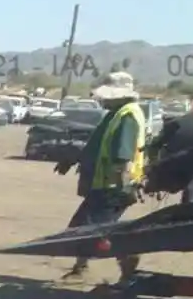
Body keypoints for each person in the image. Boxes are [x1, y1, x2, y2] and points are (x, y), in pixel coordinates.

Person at [57, 70, 147, 281]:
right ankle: (81, 267)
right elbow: (96, 147)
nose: (103, 100)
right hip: (104, 185)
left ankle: (128, 263)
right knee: (82, 227)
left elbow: (124, 154)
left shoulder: (127, 117)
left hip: (114, 186)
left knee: (96, 231)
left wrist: (123, 186)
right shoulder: (114, 115)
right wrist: (71, 160)